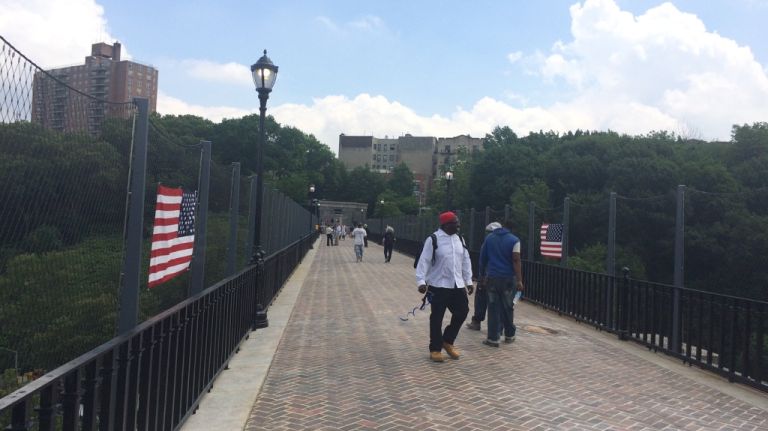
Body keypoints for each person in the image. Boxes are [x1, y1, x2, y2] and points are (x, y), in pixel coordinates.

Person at [415, 211, 473, 362]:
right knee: (437, 318)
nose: (459, 225)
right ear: (446, 224)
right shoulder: (433, 239)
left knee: (462, 312)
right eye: (456, 222)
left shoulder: (460, 239)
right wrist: (421, 282)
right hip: (438, 285)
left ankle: (447, 340)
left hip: (457, 285)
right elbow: (424, 261)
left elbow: (465, 260)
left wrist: (469, 281)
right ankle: (435, 349)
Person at [478, 219, 524, 347]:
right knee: (508, 307)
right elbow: (516, 260)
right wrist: (519, 280)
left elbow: (483, 259)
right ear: (512, 229)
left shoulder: (489, 238)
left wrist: (482, 276)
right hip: (509, 279)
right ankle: (509, 335)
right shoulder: (515, 240)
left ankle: (493, 338)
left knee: (493, 308)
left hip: (492, 278)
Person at [466, 222, 501, 331]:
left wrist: (481, 276)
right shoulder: (506, 243)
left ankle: (476, 322)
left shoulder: (487, 243)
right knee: (498, 302)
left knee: (481, 299)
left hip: (487, 276)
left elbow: (482, 261)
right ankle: (499, 327)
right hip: (501, 277)